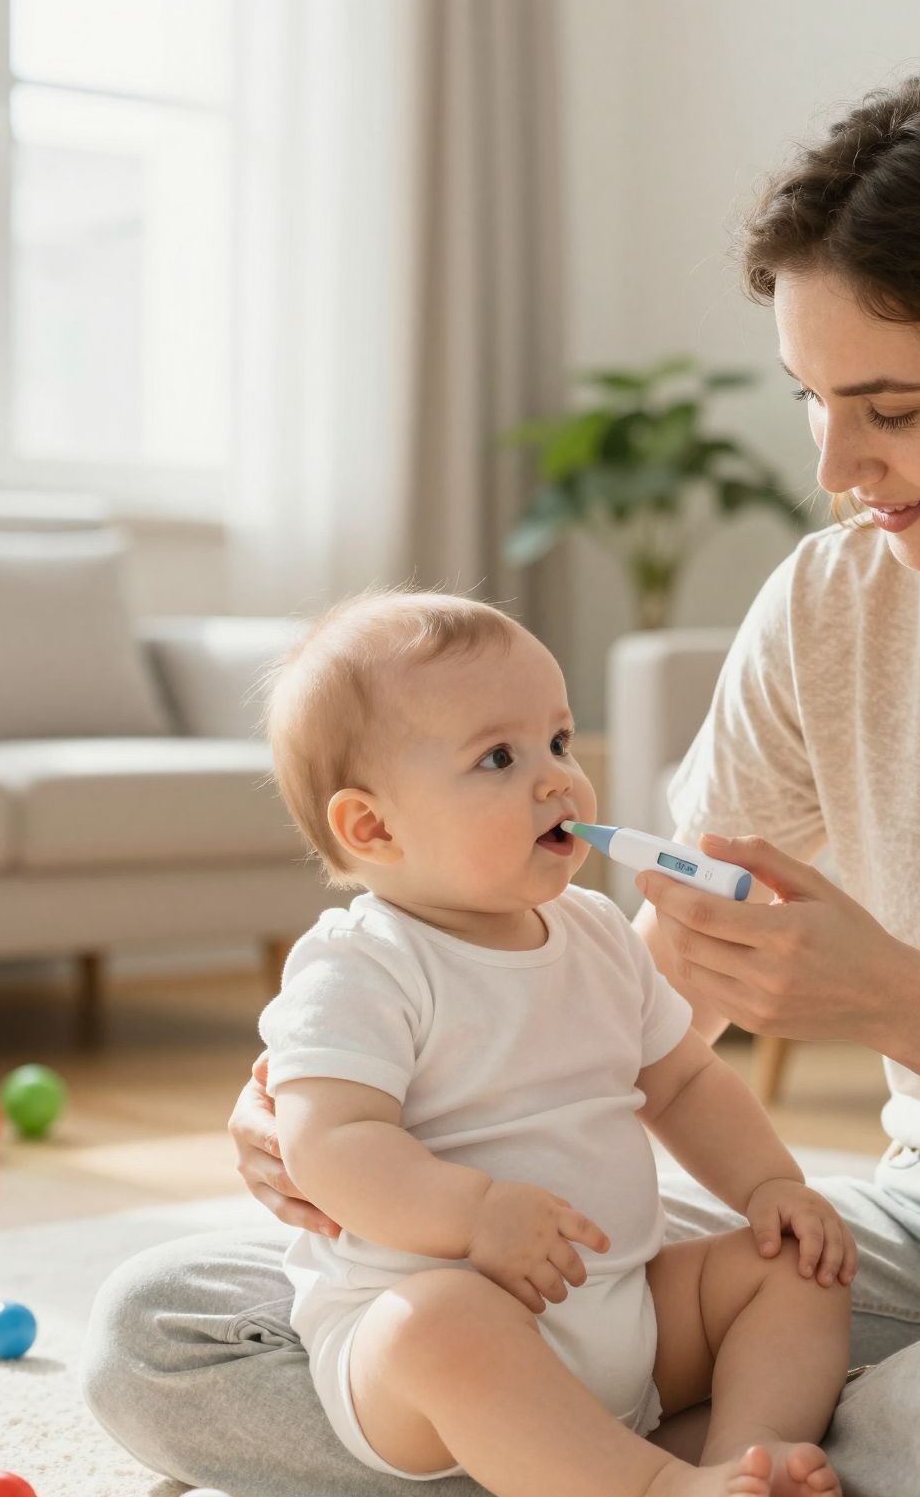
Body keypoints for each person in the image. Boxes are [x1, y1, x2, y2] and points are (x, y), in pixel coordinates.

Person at [82, 62, 920, 1497]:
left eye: (889, 407)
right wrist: (349, 1114)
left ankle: (619, 1460)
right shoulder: (831, 603)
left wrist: (885, 997)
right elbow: (646, 1000)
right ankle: (718, 1462)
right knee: (166, 1330)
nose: (836, 466)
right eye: (811, 400)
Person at [240, 590, 852, 1497]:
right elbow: (329, 1147)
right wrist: (474, 1213)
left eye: (559, 742)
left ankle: (744, 1458)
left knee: (796, 1267)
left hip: (623, 1307)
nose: (558, 779)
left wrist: (771, 1186)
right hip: (435, 1344)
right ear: (373, 827)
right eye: (499, 757)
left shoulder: (599, 932)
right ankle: (651, 1487)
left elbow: (682, 1083)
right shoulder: (361, 964)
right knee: (438, 1324)